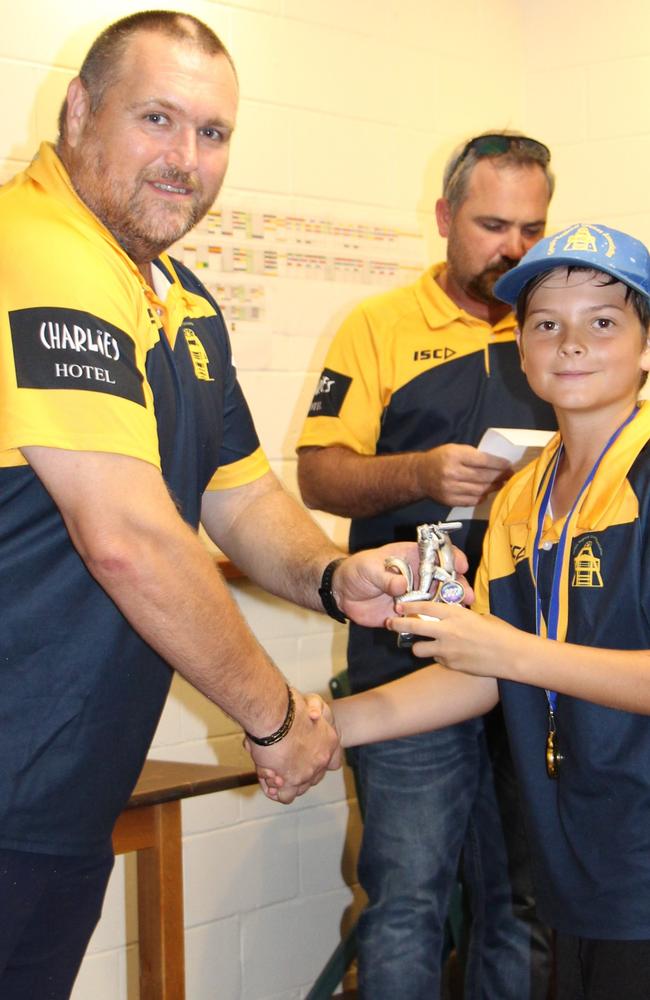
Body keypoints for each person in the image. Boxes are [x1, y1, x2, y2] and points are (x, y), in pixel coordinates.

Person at [0, 12, 424, 998]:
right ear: (78, 110)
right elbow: (130, 541)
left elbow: (239, 495)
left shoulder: (177, 297)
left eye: (212, 132)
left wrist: (330, 575)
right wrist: (275, 718)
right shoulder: (39, 250)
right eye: (156, 118)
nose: (184, 160)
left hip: (51, 792)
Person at [317, 222, 650, 1000]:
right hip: (579, 862)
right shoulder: (525, 495)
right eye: (546, 324)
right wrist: (328, 728)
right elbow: (483, 672)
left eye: (603, 322)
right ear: (522, 349)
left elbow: (504, 657)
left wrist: (501, 650)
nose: (570, 343)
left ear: (645, 346)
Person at [296, 132, 556, 998]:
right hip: (407, 652)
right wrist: (422, 472)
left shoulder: (554, 330)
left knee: (522, 903)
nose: (513, 249)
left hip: (533, 658)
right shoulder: (379, 326)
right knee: (407, 900)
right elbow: (319, 471)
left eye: (531, 227)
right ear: (444, 217)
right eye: (491, 224)